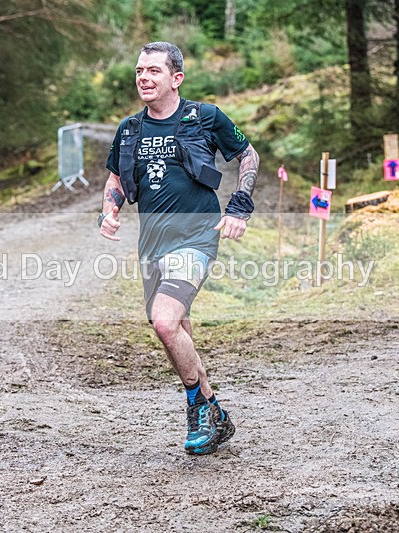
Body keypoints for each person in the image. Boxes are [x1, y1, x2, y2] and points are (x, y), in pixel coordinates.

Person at [99, 42, 260, 455]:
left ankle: (195, 408)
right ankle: (216, 413)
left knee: (165, 323)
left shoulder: (203, 117)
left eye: (153, 70)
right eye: (139, 71)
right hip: (151, 244)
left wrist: (240, 205)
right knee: (177, 333)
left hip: (196, 236)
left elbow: (247, 154)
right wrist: (109, 212)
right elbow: (116, 180)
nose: (143, 78)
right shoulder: (129, 129)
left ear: (176, 78)